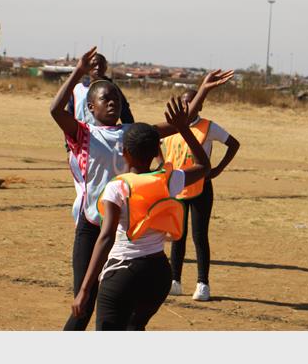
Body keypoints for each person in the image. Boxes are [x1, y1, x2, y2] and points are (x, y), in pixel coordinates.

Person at [50, 46, 232, 331]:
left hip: (123, 229)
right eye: (105, 98)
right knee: (83, 305)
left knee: (122, 306)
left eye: (116, 99)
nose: (112, 102)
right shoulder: (83, 134)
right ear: (91, 107)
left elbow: (178, 123)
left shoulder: (131, 133)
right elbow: (55, 110)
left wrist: (202, 92)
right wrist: (78, 72)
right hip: (91, 226)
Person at [71, 96, 212, 330]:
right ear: (157, 149)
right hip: (158, 275)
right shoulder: (168, 180)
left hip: (123, 273)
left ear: (124, 152)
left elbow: (105, 238)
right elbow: (203, 166)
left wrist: (85, 290)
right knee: (135, 328)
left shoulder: (118, 187)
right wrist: (184, 129)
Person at [166, 88, 240, 301]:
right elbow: (162, 151)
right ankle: (175, 281)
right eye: (184, 102)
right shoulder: (172, 128)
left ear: (199, 105)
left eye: (191, 102)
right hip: (178, 187)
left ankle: (202, 283)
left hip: (201, 187)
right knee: (177, 235)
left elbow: (233, 144)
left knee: (199, 236)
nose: (187, 106)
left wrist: (217, 169)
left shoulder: (208, 126)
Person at [67, 52, 134, 125]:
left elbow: (125, 112)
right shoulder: (77, 89)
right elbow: (70, 112)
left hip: (105, 133)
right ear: (88, 67)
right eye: (94, 65)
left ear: (105, 68)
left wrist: (130, 131)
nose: (97, 68)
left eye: (101, 65)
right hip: (81, 133)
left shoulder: (113, 88)